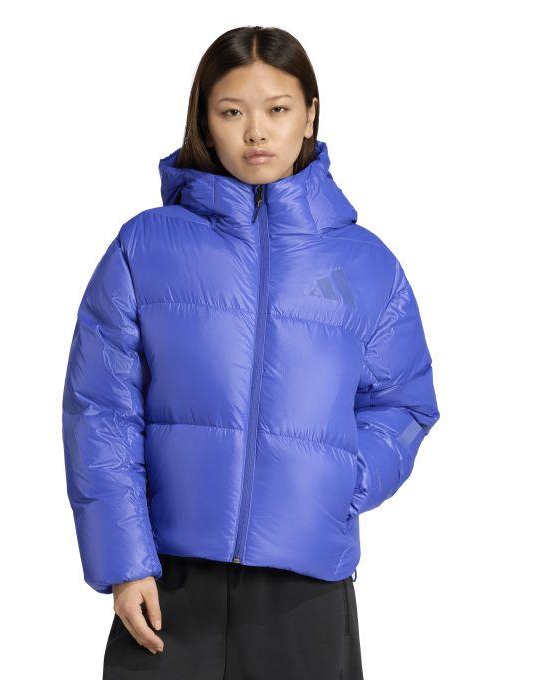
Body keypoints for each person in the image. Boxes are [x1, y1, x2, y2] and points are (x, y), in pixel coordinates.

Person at [61, 25, 440, 680]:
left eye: (277, 109)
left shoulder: (367, 265)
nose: (256, 132)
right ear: (205, 123)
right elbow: (101, 413)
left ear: (309, 115)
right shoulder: (144, 249)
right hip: (169, 583)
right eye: (232, 112)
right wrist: (123, 562)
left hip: (307, 587)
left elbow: (405, 405)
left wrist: (342, 482)